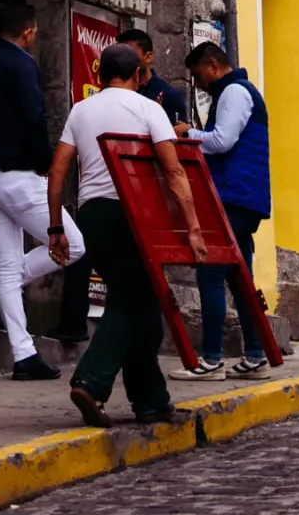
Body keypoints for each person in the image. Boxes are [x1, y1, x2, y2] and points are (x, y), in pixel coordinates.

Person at [49, 41, 206, 426]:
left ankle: (151, 400)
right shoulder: (148, 107)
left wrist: (55, 226)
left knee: (143, 305)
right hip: (133, 216)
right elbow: (173, 173)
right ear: (137, 75)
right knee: (132, 302)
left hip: (92, 217)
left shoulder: (80, 110)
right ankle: (91, 380)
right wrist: (194, 227)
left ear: (99, 76)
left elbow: (57, 173)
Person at [0, 7, 74, 380]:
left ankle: (23, 354)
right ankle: (13, 281)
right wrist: (45, 160)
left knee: (8, 265)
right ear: (28, 33)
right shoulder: (22, 64)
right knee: (75, 245)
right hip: (20, 176)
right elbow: (35, 115)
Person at [177, 40, 270, 378]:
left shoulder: (234, 92)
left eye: (199, 76)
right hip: (243, 196)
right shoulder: (236, 92)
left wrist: (188, 134)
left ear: (214, 66)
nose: (199, 84)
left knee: (210, 271)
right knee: (239, 276)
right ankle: (256, 355)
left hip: (236, 196)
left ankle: (211, 359)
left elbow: (221, 141)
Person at [116, 26, 189, 126]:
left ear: (148, 57)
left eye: (130, 54)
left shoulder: (168, 95)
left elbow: (177, 136)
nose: (124, 60)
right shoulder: (116, 91)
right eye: (120, 55)